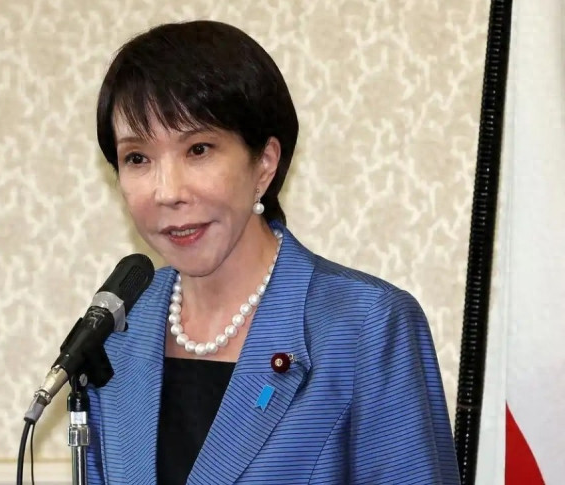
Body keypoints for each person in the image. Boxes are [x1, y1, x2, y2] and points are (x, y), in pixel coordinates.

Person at [86, 20, 460, 484]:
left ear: (264, 163)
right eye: (137, 158)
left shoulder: (365, 327)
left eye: (198, 149)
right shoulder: (116, 331)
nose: (168, 192)